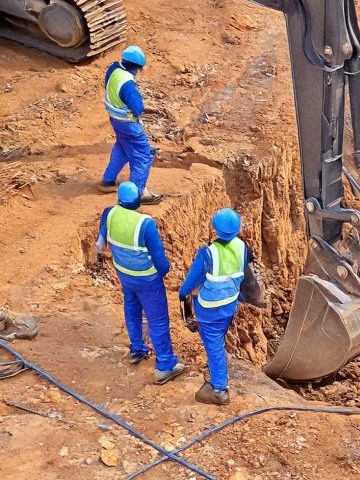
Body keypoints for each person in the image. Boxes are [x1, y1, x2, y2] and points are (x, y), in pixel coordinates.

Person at [96, 181, 185, 384]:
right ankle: (165, 365)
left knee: (132, 308)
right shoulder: (145, 224)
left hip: (124, 275)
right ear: (137, 200)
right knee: (158, 319)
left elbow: (100, 245)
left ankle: (137, 349)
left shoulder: (109, 213)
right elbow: (160, 261)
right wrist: (164, 272)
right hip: (147, 278)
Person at [179, 208, 263, 405]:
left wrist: (183, 296)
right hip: (229, 303)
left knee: (214, 344)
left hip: (210, 308)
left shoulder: (207, 253)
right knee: (218, 338)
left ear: (215, 228)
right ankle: (218, 380)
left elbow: (190, 283)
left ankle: (219, 390)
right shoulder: (242, 247)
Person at [98, 45, 163, 205]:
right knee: (143, 156)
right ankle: (139, 192)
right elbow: (137, 107)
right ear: (137, 67)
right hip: (129, 124)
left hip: (115, 120)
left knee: (122, 148)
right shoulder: (128, 84)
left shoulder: (113, 69)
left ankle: (108, 180)